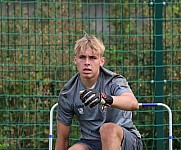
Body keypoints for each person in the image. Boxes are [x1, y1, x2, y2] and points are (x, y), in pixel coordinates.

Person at [55, 35, 143, 150]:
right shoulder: (68, 92)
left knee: (108, 129)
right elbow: (62, 138)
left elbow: (133, 103)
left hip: (125, 141)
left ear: (101, 61)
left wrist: (104, 98)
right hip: (90, 142)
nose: (87, 62)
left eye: (92, 58)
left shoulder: (114, 81)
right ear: (75, 60)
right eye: (82, 57)